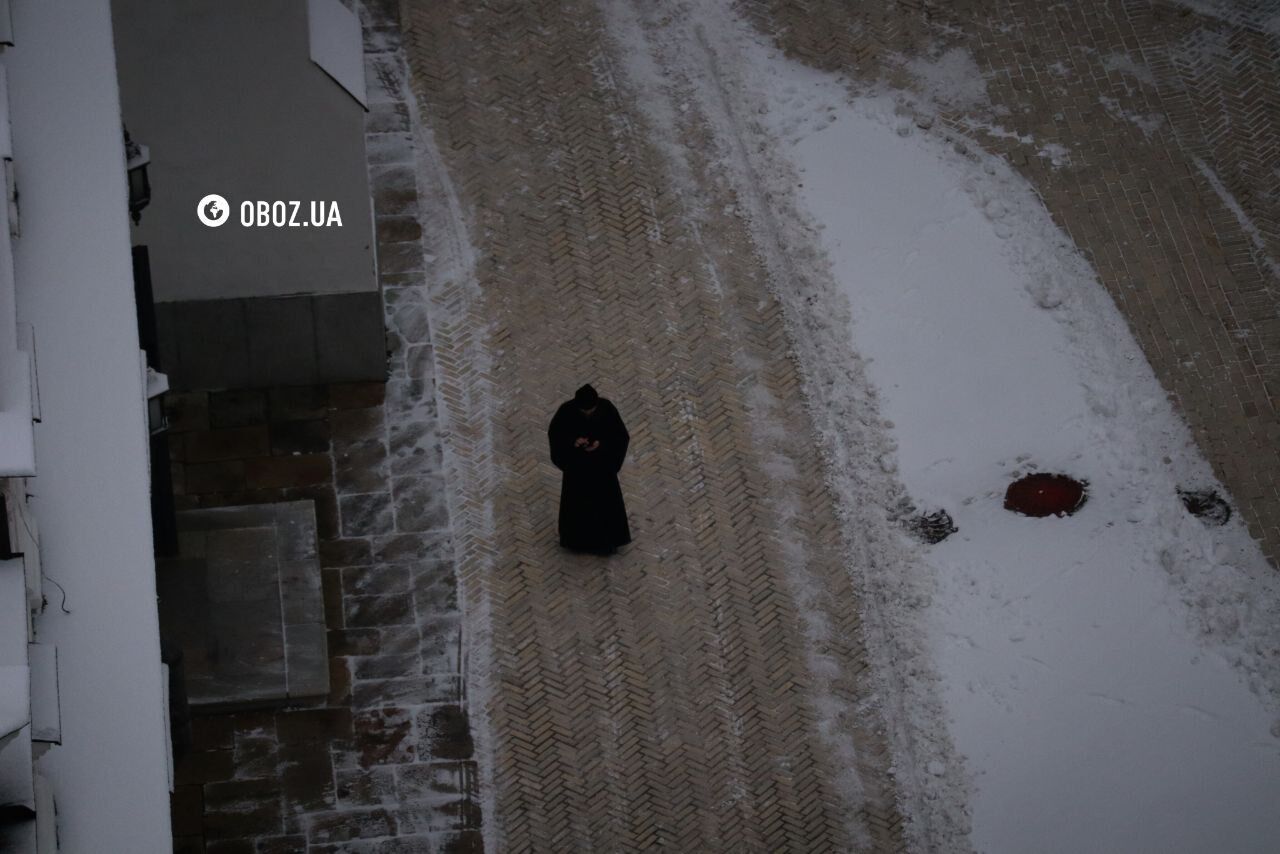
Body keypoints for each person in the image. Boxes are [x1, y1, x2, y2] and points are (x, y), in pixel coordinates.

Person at [547, 383, 632, 555]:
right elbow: (556, 435)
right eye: (584, 412)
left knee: (605, 506)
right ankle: (577, 542)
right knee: (578, 507)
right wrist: (573, 441)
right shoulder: (566, 411)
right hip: (578, 470)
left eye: (590, 411)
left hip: (602, 469)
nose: (587, 414)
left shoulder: (607, 409)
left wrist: (601, 444)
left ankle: (606, 543)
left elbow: (620, 436)